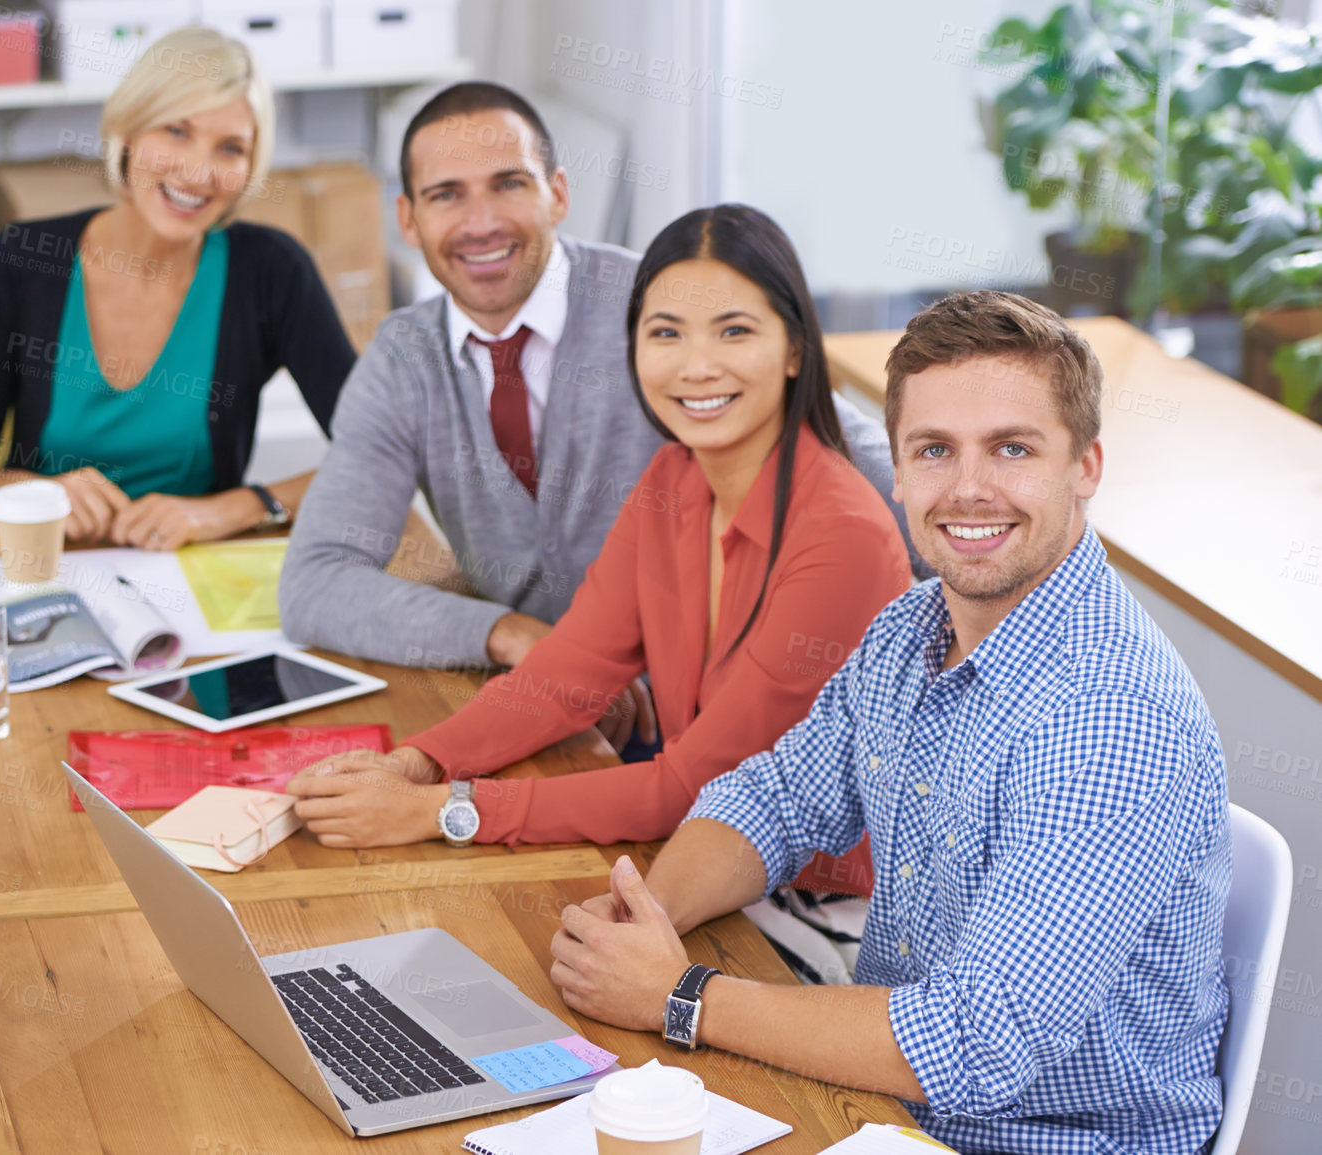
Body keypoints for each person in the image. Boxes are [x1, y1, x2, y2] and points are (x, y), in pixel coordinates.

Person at [547, 291, 1231, 1155]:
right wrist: (642, 921)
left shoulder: (1111, 720)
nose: (969, 487)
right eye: (935, 450)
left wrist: (676, 995)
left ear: (1085, 466)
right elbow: (775, 799)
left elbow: (974, 1046)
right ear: (898, 471)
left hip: (1036, 1141)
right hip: (884, 1113)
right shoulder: (910, 628)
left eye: (1012, 448)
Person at [285, 205, 910, 893]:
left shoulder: (841, 533)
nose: (696, 366)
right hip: (697, 863)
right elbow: (567, 671)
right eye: (665, 333)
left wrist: (442, 811)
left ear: (795, 349)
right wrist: (419, 762)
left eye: (734, 331)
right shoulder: (672, 480)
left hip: (817, 905)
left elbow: (693, 786)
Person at [278, 83, 921, 699]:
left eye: (509, 184)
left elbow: (865, 467)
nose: (481, 223)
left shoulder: (661, 308)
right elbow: (317, 584)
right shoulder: (403, 358)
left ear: (558, 194)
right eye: (446, 195)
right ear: (409, 219)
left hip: (719, 699)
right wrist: (510, 637)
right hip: (553, 698)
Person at [0, 26, 353, 548]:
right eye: (175, 130)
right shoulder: (25, 259)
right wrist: (33, 492)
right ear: (127, 133)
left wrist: (236, 508)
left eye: (230, 148)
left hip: (199, 571)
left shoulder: (271, 271)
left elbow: (379, 457)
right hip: (47, 561)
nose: (198, 171)